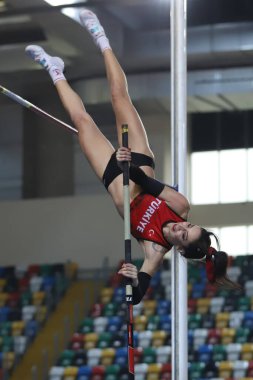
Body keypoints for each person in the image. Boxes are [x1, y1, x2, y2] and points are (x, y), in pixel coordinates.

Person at [25, 9, 240, 304]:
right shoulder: (180, 206)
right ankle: (102, 39)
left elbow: (137, 295)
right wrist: (131, 165)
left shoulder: (154, 250)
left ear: (179, 248)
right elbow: (149, 186)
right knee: (119, 98)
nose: (180, 227)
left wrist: (131, 279)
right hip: (137, 162)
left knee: (82, 122)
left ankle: (54, 69)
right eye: (188, 226)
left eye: (182, 235)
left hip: (113, 177)